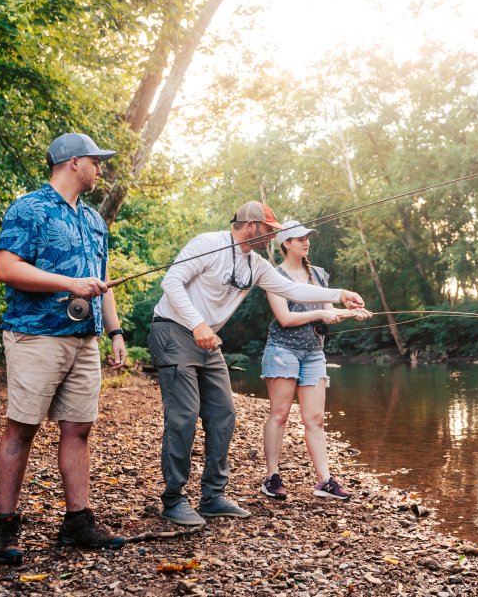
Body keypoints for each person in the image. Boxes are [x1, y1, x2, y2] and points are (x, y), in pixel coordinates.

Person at [147, 201, 368, 527]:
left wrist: (340, 293)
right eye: (268, 230)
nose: (270, 238)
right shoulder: (208, 244)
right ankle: (173, 499)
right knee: (183, 415)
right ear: (251, 225)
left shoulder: (257, 264)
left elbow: (293, 289)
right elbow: (171, 282)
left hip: (207, 339)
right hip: (174, 330)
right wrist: (197, 323)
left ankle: (212, 496)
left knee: (224, 413)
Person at [0, 133, 127, 565]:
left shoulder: (95, 222)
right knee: (22, 428)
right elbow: (6, 268)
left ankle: (77, 522)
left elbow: (102, 282)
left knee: (79, 428)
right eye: (95, 162)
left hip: (85, 340)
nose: (100, 169)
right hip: (35, 334)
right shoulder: (29, 208)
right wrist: (68, 283)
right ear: (73, 162)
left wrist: (116, 332)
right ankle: (4, 527)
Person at [260, 220, 364, 502]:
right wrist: (319, 315)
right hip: (283, 350)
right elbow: (285, 318)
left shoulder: (318, 274)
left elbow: (329, 310)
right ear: (285, 244)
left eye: (307, 238)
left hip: (314, 353)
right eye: (298, 238)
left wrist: (350, 313)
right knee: (279, 414)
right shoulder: (273, 275)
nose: (306, 242)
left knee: (315, 419)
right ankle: (271, 476)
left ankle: (325, 481)